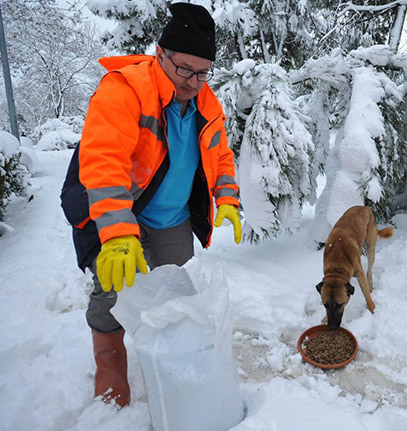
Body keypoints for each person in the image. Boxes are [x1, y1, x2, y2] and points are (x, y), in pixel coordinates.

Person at [60, 3, 242, 407]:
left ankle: (167, 361)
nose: (194, 82)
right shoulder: (124, 89)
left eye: (203, 72)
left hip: (172, 220)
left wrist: (227, 197)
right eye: (185, 70)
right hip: (122, 213)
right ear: (160, 54)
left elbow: (221, 156)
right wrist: (118, 234)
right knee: (114, 292)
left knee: (173, 294)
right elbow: (104, 162)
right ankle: (110, 366)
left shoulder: (207, 102)